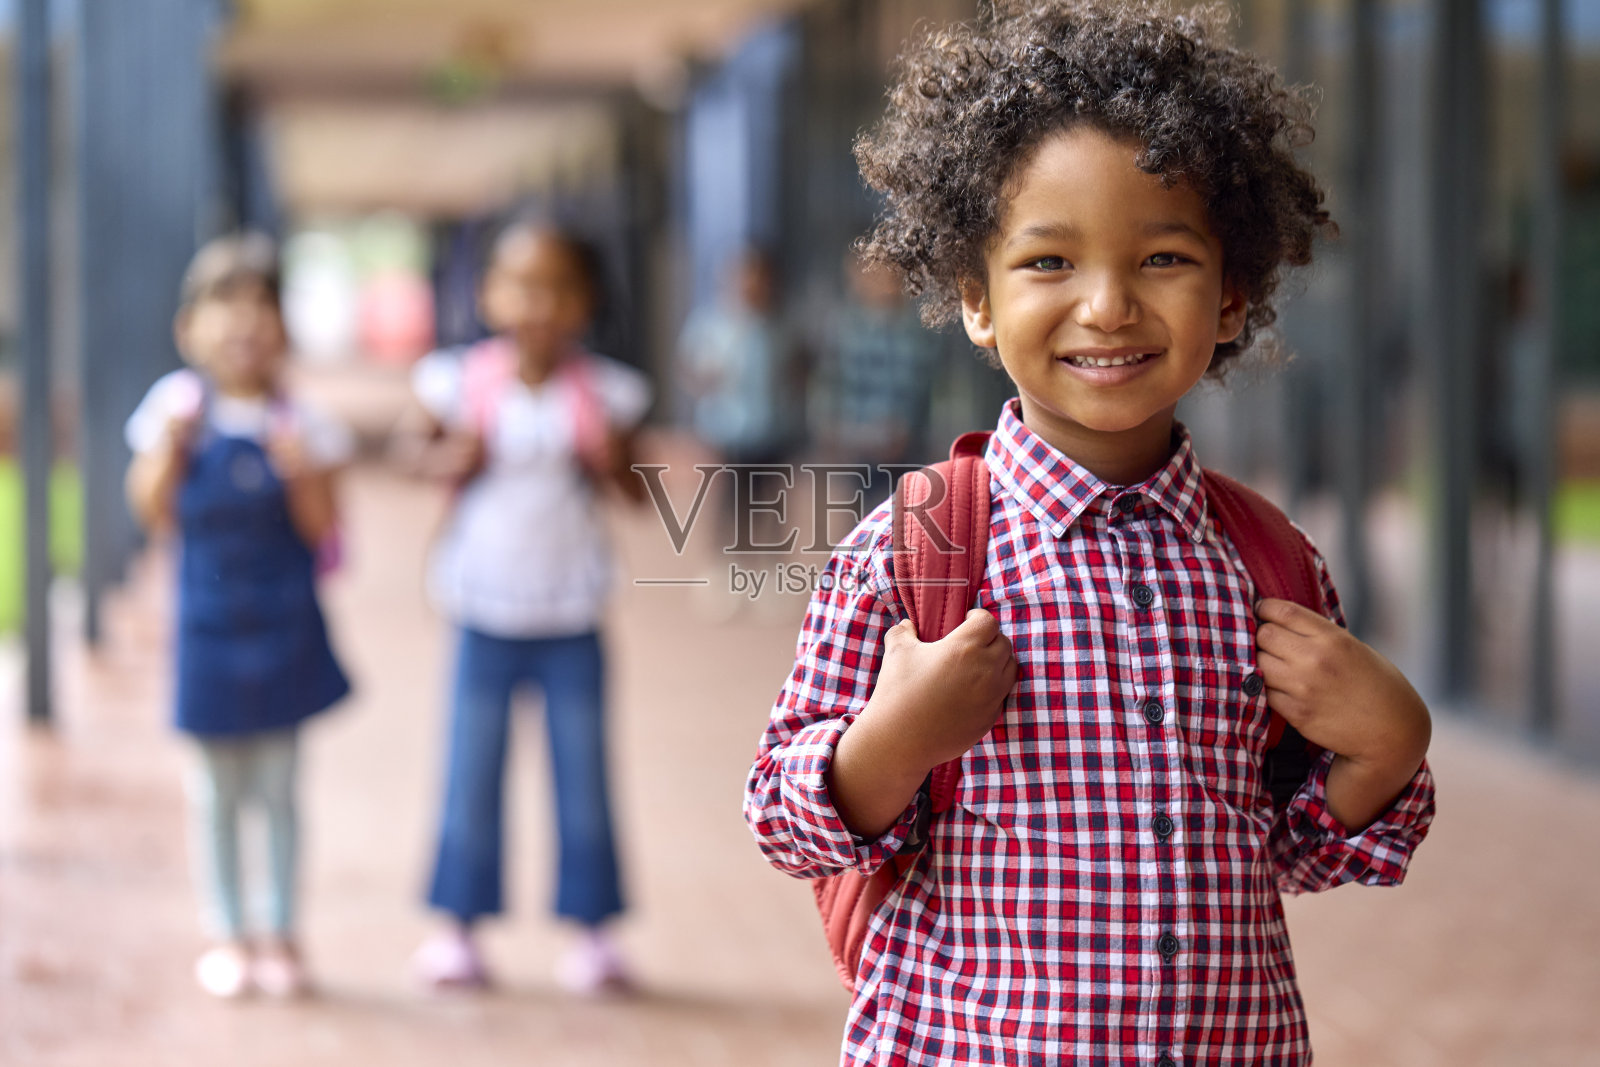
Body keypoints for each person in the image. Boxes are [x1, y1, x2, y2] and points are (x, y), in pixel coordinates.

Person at [743, 4, 1436, 1063]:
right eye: (1048, 262)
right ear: (976, 299)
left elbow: (1295, 848)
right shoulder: (915, 549)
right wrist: (894, 739)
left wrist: (1390, 742)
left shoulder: (1267, 562)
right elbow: (783, 819)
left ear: (1232, 297)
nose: (1107, 305)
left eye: (1161, 257)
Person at [395, 222, 650, 994]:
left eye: (557, 289)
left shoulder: (608, 392)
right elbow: (410, 453)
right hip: (483, 609)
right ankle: (458, 929)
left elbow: (639, 495)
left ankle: (593, 932)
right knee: (470, 771)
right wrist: (448, 456)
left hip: (572, 612)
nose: (538, 304)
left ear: (585, 302)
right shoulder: (457, 381)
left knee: (584, 774)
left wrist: (611, 463)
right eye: (521, 286)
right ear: (489, 296)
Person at [125, 232, 353, 1000]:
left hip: (285, 628)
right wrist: (168, 450)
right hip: (206, 629)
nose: (244, 321)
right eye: (226, 304)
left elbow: (324, 527)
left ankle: (281, 930)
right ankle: (226, 931)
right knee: (214, 792)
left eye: (261, 304)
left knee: (280, 788)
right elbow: (151, 509)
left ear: (284, 328)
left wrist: (300, 471)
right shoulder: (174, 411)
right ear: (189, 327)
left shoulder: (307, 423)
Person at [811, 253, 941, 508]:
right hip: (859, 442)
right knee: (864, 511)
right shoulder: (844, 328)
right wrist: (831, 428)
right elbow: (830, 382)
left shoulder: (917, 330)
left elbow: (927, 387)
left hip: (907, 445)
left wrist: (915, 429)